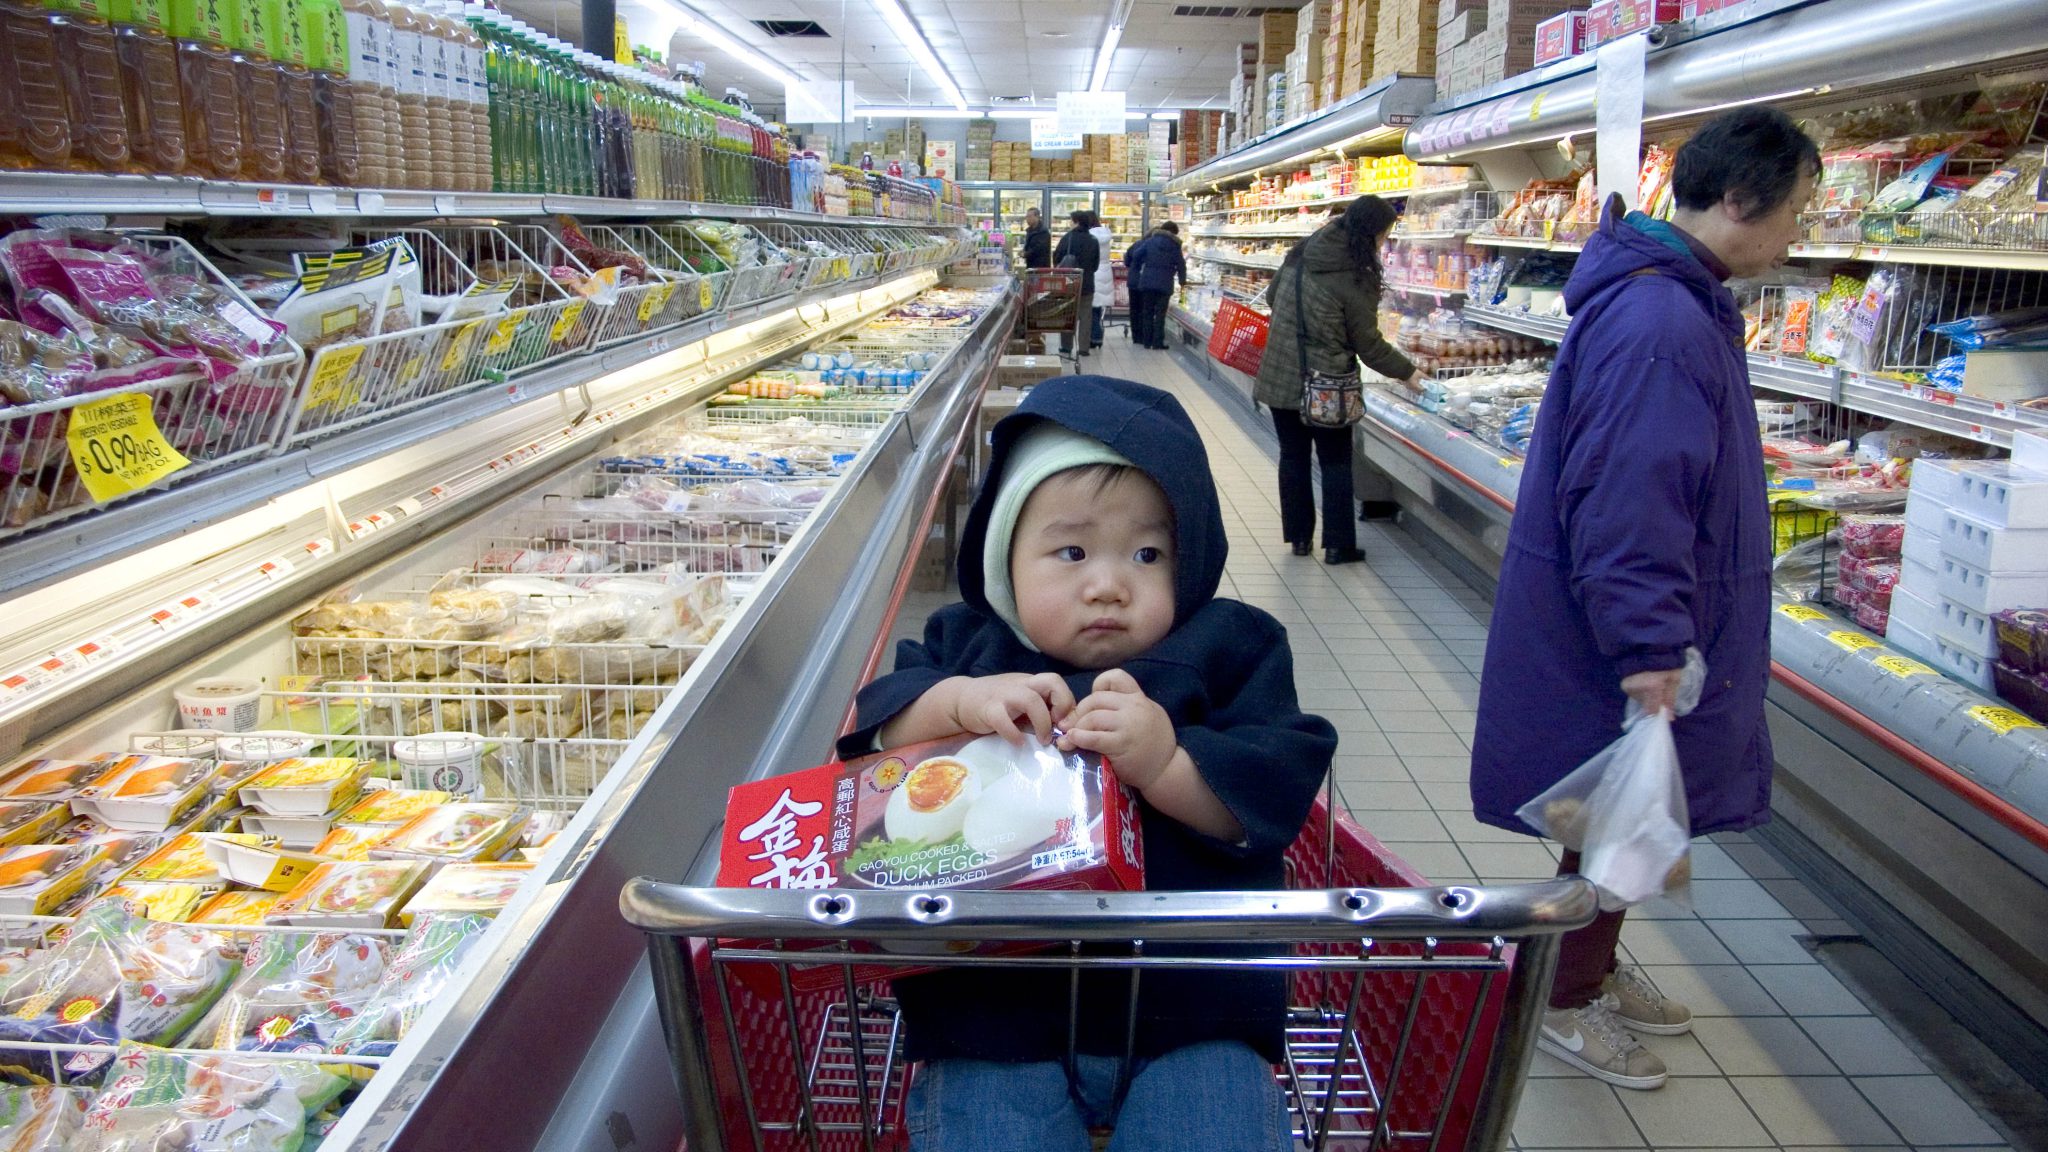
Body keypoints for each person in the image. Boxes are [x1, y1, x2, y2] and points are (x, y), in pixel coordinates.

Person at [839, 375, 1337, 1152]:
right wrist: (961, 705)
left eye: (1147, 552)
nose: (1108, 584)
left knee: (1220, 1129)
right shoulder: (968, 645)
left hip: (1195, 1008)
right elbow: (881, 731)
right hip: (990, 1009)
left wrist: (1167, 763)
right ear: (1006, 555)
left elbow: (1271, 791)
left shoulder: (1232, 647)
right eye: (1071, 551)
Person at [1469, 107, 1821, 1092]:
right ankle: (1561, 996)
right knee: (1608, 813)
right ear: (1741, 198)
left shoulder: (1677, 303)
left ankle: (1584, 968)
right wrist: (1649, 645)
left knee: (1618, 810)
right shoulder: (1661, 320)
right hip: (1618, 633)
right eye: (1796, 208)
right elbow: (1631, 496)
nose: (1800, 229)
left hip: (1632, 621)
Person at [1252, 195, 1419, 565]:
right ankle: (1339, 545)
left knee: (1292, 457)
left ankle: (1298, 539)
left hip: (1281, 374)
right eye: (1384, 235)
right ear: (1371, 233)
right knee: (1335, 462)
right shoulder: (1354, 274)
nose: (1383, 242)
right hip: (1327, 383)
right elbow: (1367, 343)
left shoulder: (1301, 252)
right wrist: (1408, 372)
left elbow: (1275, 296)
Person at [1123, 222, 1187, 351]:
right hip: (1165, 282)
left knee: (1147, 312)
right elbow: (1181, 264)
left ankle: (1147, 341)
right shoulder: (1175, 245)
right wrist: (1182, 281)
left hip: (1147, 281)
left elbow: (1136, 255)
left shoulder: (1150, 241)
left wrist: (1143, 263)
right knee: (1160, 314)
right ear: (1173, 233)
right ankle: (1157, 342)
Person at [1053, 211, 1101, 357]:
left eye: (1071, 220)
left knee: (1068, 314)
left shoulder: (1068, 238)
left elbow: (1056, 258)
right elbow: (1095, 265)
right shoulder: (1093, 240)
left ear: (1076, 222)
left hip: (1069, 283)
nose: (1069, 223)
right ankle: (1084, 348)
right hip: (1087, 283)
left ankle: (1066, 347)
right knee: (1086, 316)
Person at [1089, 211, 1117, 349]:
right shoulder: (1105, 235)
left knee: (1091, 308)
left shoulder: (1090, 237)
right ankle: (1097, 336)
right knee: (1098, 307)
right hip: (1105, 272)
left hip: (1093, 272)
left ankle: (1094, 336)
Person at [1022, 206, 1051, 270]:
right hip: (1031, 265)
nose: (1027, 219)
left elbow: (1039, 249)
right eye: (1026, 217)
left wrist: (1026, 254)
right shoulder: (1030, 230)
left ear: (1037, 217)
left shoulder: (1043, 232)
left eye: (1029, 216)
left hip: (1040, 267)